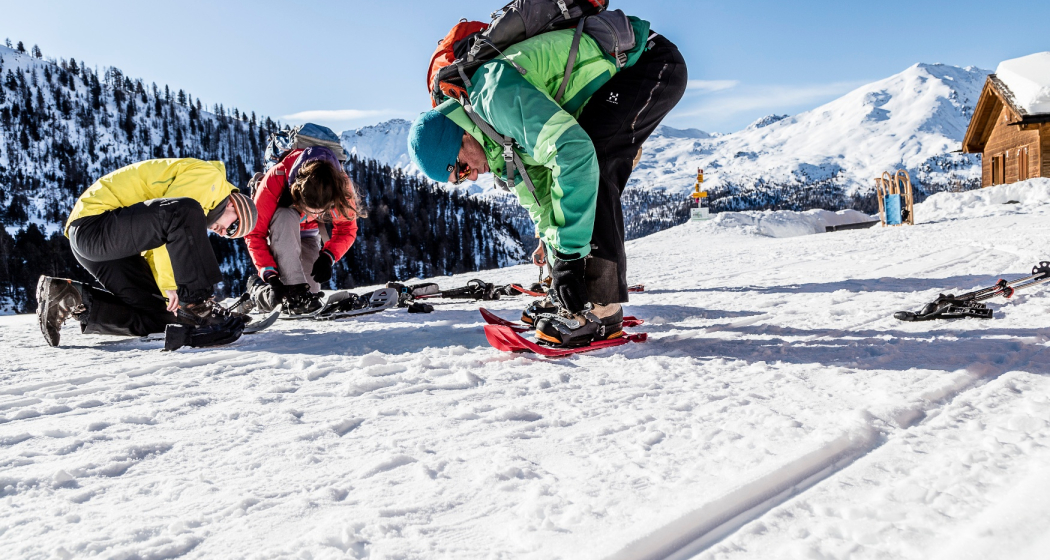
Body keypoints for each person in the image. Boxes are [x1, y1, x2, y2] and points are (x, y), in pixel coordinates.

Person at [408, 15, 688, 347]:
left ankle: (601, 308)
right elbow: (541, 196)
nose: (470, 177)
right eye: (460, 180)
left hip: (648, 62)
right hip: (622, 78)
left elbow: (573, 154)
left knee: (594, 160)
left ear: (458, 137)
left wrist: (570, 259)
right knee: (584, 167)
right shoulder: (496, 144)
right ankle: (579, 301)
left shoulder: (493, 95)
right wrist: (558, 265)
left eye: (461, 169)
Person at [36, 158, 259, 347]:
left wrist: (168, 297)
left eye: (231, 235)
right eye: (233, 227)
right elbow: (175, 215)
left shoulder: (189, 215)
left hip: (108, 245)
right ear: (233, 204)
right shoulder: (210, 178)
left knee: (164, 317)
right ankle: (199, 306)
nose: (224, 233)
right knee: (186, 211)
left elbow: (160, 243)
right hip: (95, 224)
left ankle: (69, 296)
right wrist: (181, 292)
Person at [242, 146, 362, 315]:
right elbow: (254, 233)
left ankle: (283, 293)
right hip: (281, 229)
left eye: (320, 212)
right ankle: (274, 291)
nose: (315, 214)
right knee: (291, 293)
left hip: (309, 233)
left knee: (308, 294)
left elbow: (346, 229)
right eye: (309, 209)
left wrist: (328, 256)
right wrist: (271, 276)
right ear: (297, 194)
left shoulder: (339, 185)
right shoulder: (276, 178)